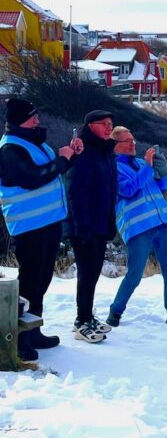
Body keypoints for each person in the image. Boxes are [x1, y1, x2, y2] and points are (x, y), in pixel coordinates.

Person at [0, 97, 79, 361]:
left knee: (41, 280)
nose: (37, 120)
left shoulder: (34, 142)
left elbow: (50, 172)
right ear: (19, 121)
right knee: (29, 283)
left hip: (47, 223)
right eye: (32, 117)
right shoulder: (9, 149)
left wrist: (71, 156)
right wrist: (62, 160)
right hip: (29, 227)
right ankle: (18, 338)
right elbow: (33, 178)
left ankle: (33, 331)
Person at [107, 126, 167, 331]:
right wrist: (148, 168)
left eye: (133, 140)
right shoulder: (111, 168)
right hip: (138, 228)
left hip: (161, 223)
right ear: (115, 145)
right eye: (127, 141)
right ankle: (116, 311)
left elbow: (160, 188)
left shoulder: (142, 163)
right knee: (135, 274)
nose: (132, 144)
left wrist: (164, 172)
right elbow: (128, 189)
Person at [68, 110, 118, 343]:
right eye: (104, 124)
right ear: (90, 126)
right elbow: (77, 193)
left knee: (93, 272)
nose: (109, 128)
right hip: (86, 226)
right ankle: (82, 321)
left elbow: (110, 192)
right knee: (87, 273)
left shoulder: (105, 152)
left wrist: (110, 222)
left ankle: (87, 316)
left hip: (100, 223)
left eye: (111, 124)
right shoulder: (85, 152)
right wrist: (82, 226)